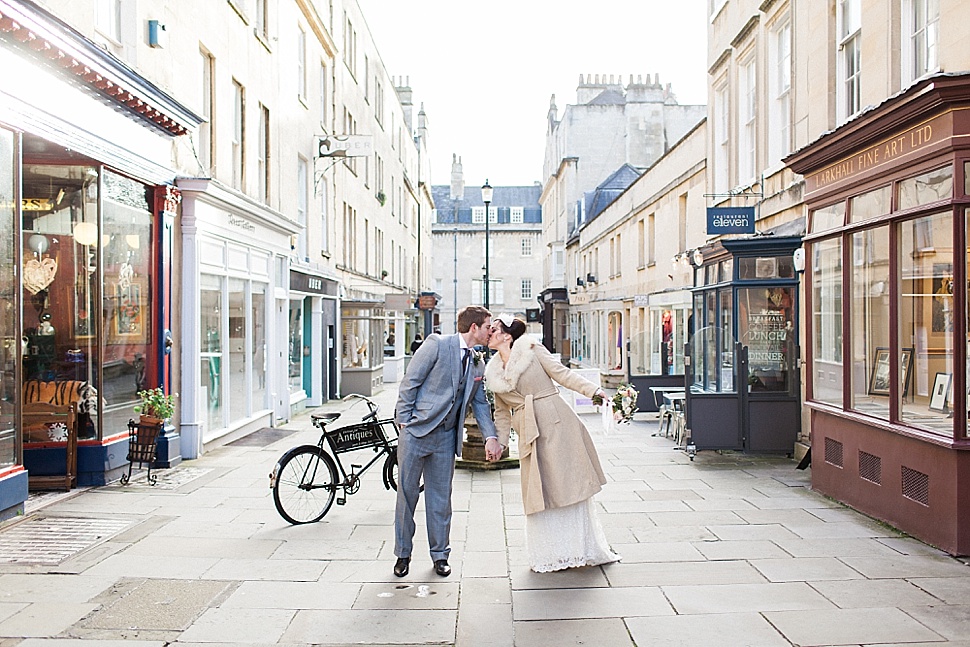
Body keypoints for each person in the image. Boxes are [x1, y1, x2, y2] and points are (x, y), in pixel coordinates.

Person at [484, 314, 620, 573]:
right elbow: (501, 413)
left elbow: (563, 374)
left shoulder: (533, 350)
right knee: (539, 490)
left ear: (507, 336)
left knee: (567, 485)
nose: (489, 332)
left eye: (494, 329)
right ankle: (550, 553)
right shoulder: (493, 372)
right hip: (528, 431)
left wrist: (594, 391)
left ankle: (578, 549)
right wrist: (500, 445)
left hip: (557, 423)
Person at [393, 306, 500, 578]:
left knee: (441, 500)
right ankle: (403, 555)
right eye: (488, 326)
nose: (491, 332)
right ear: (474, 327)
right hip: (416, 433)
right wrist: (404, 421)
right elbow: (409, 383)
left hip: (445, 438)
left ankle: (440, 556)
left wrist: (490, 436)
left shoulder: (478, 362)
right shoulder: (437, 345)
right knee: (407, 497)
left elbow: (479, 403)